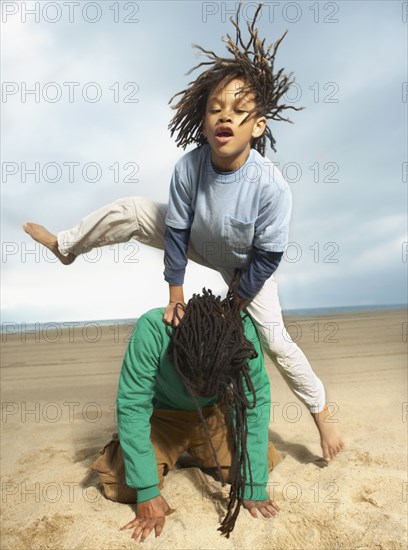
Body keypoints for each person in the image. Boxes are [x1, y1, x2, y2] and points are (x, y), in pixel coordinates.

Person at [23, 5, 343, 462]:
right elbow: (174, 232)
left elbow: (268, 259)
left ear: (258, 125)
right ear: (204, 118)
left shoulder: (271, 187)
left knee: (275, 340)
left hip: (247, 266)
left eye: (238, 109)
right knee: (133, 210)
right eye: (216, 108)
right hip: (198, 238)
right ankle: (67, 246)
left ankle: (321, 411)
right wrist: (175, 291)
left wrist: (236, 303)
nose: (224, 116)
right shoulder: (189, 167)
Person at [92, 287, 282, 542]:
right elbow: (133, 405)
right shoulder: (153, 328)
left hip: (213, 414)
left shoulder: (242, 332)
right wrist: (147, 491)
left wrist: (254, 484)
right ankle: (131, 451)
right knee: (123, 486)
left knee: (250, 471)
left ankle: (194, 454)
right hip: (161, 416)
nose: (199, 388)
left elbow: (254, 404)